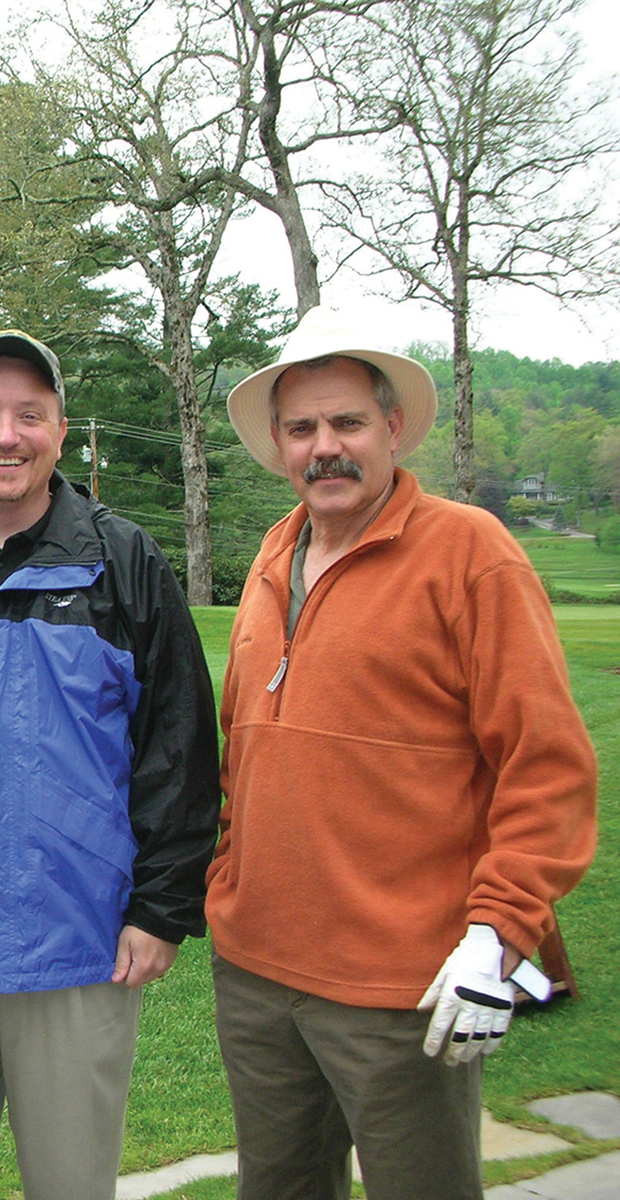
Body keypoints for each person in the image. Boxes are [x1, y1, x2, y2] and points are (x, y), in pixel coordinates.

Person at [209, 307, 598, 1200]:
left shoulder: (471, 552)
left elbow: (546, 766)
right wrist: (230, 870)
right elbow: (247, 746)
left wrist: (498, 934)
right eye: (303, 428)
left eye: (347, 423)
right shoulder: (275, 551)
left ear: (392, 428)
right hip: (258, 974)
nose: (325, 448)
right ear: (279, 443)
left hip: (404, 986)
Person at [0, 330, 221, 1200]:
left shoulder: (125, 562)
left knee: (73, 1185)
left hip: (81, 949)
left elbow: (179, 744)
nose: (5, 435)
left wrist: (162, 908)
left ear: (63, 432)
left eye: (30, 414)